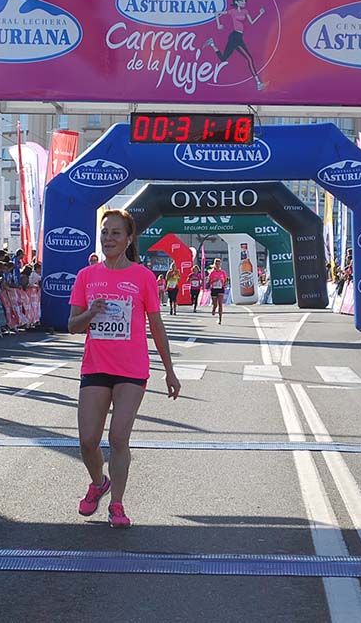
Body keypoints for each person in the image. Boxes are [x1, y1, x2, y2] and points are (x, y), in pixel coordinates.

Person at [67, 209, 180, 529]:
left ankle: (116, 503)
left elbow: (156, 326)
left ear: (129, 239)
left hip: (132, 368)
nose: (109, 238)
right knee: (88, 440)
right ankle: (98, 482)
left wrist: (169, 370)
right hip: (96, 366)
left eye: (116, 233)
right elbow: (72, 326)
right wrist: (90, 313)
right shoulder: (86, 276)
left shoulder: (142, 277)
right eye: (105, 232)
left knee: (118, 437)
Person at [205, 0, 267, 91]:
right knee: (249, 59)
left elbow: (251, 22)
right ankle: (258, 83)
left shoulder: (245, 11)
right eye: (241, 0)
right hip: (235, 37)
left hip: (238, 37)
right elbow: (217, 13)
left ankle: (212, 43)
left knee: (224, 59)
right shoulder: (232, 11)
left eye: (245, 0)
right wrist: (218, 25)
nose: (244, 2)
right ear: (236, 2)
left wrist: (260, 14)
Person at [208, 259, 229, 324]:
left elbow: (226, 280)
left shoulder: (223, 272)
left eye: (219, 264)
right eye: (216, 264)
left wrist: (224, 284)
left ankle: (220, 319)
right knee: (215, 304)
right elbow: (209, 282)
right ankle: (214, 308)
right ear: (215, 264)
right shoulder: (212, 273)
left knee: (220, 304)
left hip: (220, 288)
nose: (218, 265)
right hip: (214, 289)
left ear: (220, 264)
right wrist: (214, 280)